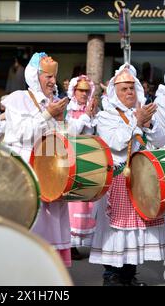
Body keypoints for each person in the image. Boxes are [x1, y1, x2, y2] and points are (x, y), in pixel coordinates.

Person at [89, 65, 165, 286]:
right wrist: (136, 122)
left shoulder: (142, 112)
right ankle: (111, 275)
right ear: (115, 92)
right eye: (124, 89)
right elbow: (115, 142)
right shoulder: (106, 116)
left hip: (141, 180)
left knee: (136, 230)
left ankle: (128, 275)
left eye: (132, 88)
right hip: (118, 179)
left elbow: (160, 141)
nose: (130, 92)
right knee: (116, 230)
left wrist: (148, 123)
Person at [2, 52, 71, 266]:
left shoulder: (56, 102)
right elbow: (20, 133)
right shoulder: (18, 99)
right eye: (47, 77)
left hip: (51, 172)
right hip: (26, 174)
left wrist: (60, 121)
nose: (52, 81)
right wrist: (47, 115)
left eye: (54, 77)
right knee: (31, 225)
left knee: (50, 228)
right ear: (35, 77)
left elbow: (63, 139)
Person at [65, 75, 98, 260]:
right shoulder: (68, 110)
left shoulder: (91, 110)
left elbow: (92, 134)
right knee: (72, 203)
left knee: (86, 202)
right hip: (71, 159)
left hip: (87, 158)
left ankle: (79, 243)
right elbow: (71, 132)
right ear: (74, 91)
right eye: (81, 90)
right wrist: (86, 117)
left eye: (86, 90)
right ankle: (69, 244)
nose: (84, 94)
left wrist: (91, 116)